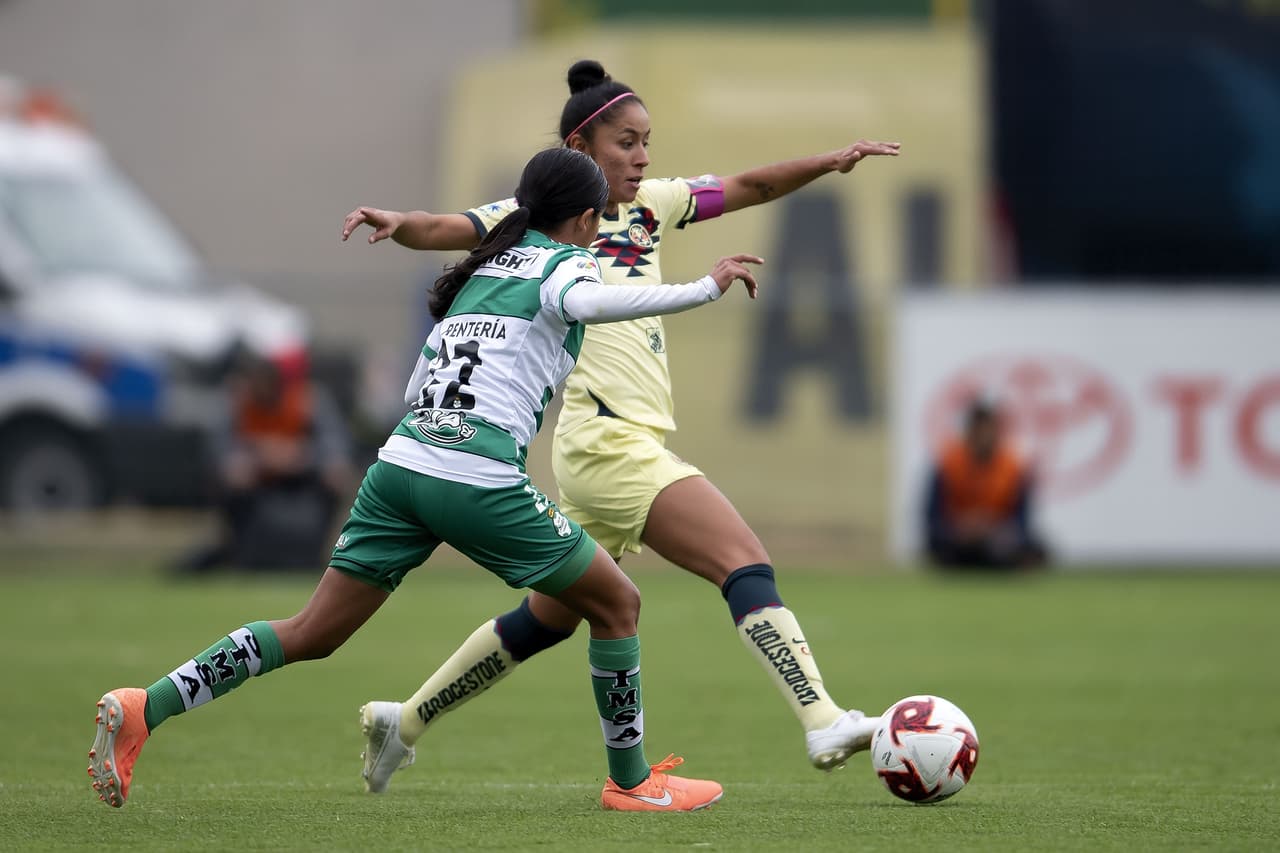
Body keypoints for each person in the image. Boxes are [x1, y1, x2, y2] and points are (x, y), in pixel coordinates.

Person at [88, 147, 763, 812]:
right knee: (618, 604)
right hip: (473, 475)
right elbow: (597, 303)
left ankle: (147, 704)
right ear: (585, 220)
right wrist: (706, 287)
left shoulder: (484, 269)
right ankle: (632, 781)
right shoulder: (567, 264)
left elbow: (420, 381)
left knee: (311, 630)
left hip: (401, 464)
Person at [341, 59, 901, 792]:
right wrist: (398, 223)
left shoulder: (655, 205)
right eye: (626, 144)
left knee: (548, 619)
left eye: (646, 144)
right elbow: (444, 228)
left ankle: (402, 720)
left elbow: (751, 186)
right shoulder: (526, 220)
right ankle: (821, 715)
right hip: (610, 444)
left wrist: (828, 162)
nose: (641, 159)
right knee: (742, 560)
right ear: (581, 148)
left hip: (605, 446)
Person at [175, 350, 356, 572]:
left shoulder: (308, 399)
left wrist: (299, 455)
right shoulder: (236, 402)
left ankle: (312, 552)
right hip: (256, 479)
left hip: (302, 475)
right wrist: (248, 459)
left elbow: (334, 445)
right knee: (229, 480)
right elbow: (219, 448)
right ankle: (240, 551)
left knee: (336, 478)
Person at [924, 398, 1049, 570]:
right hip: (959, 539)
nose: (985, 436)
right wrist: (962, 528)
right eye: (980, 430)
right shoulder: (949, 463)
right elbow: (932, 518)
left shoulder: (1012, 466)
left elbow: (1022, 521)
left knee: (1027, 546)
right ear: (970, 431)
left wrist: (991, 527)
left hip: (997, 537)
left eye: (989, 429)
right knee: (940, 544)